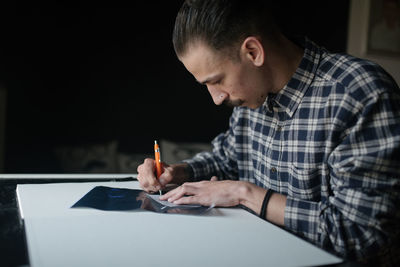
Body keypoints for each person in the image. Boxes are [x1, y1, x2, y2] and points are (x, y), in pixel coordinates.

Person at [137, 0, 400, 264]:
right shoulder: (250, 95)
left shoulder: (358, 94)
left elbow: (364, 234)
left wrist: (244, 194)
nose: (217, 98)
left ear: (253, 52)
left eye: (216, 80)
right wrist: (175, 173)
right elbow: (228, 160)